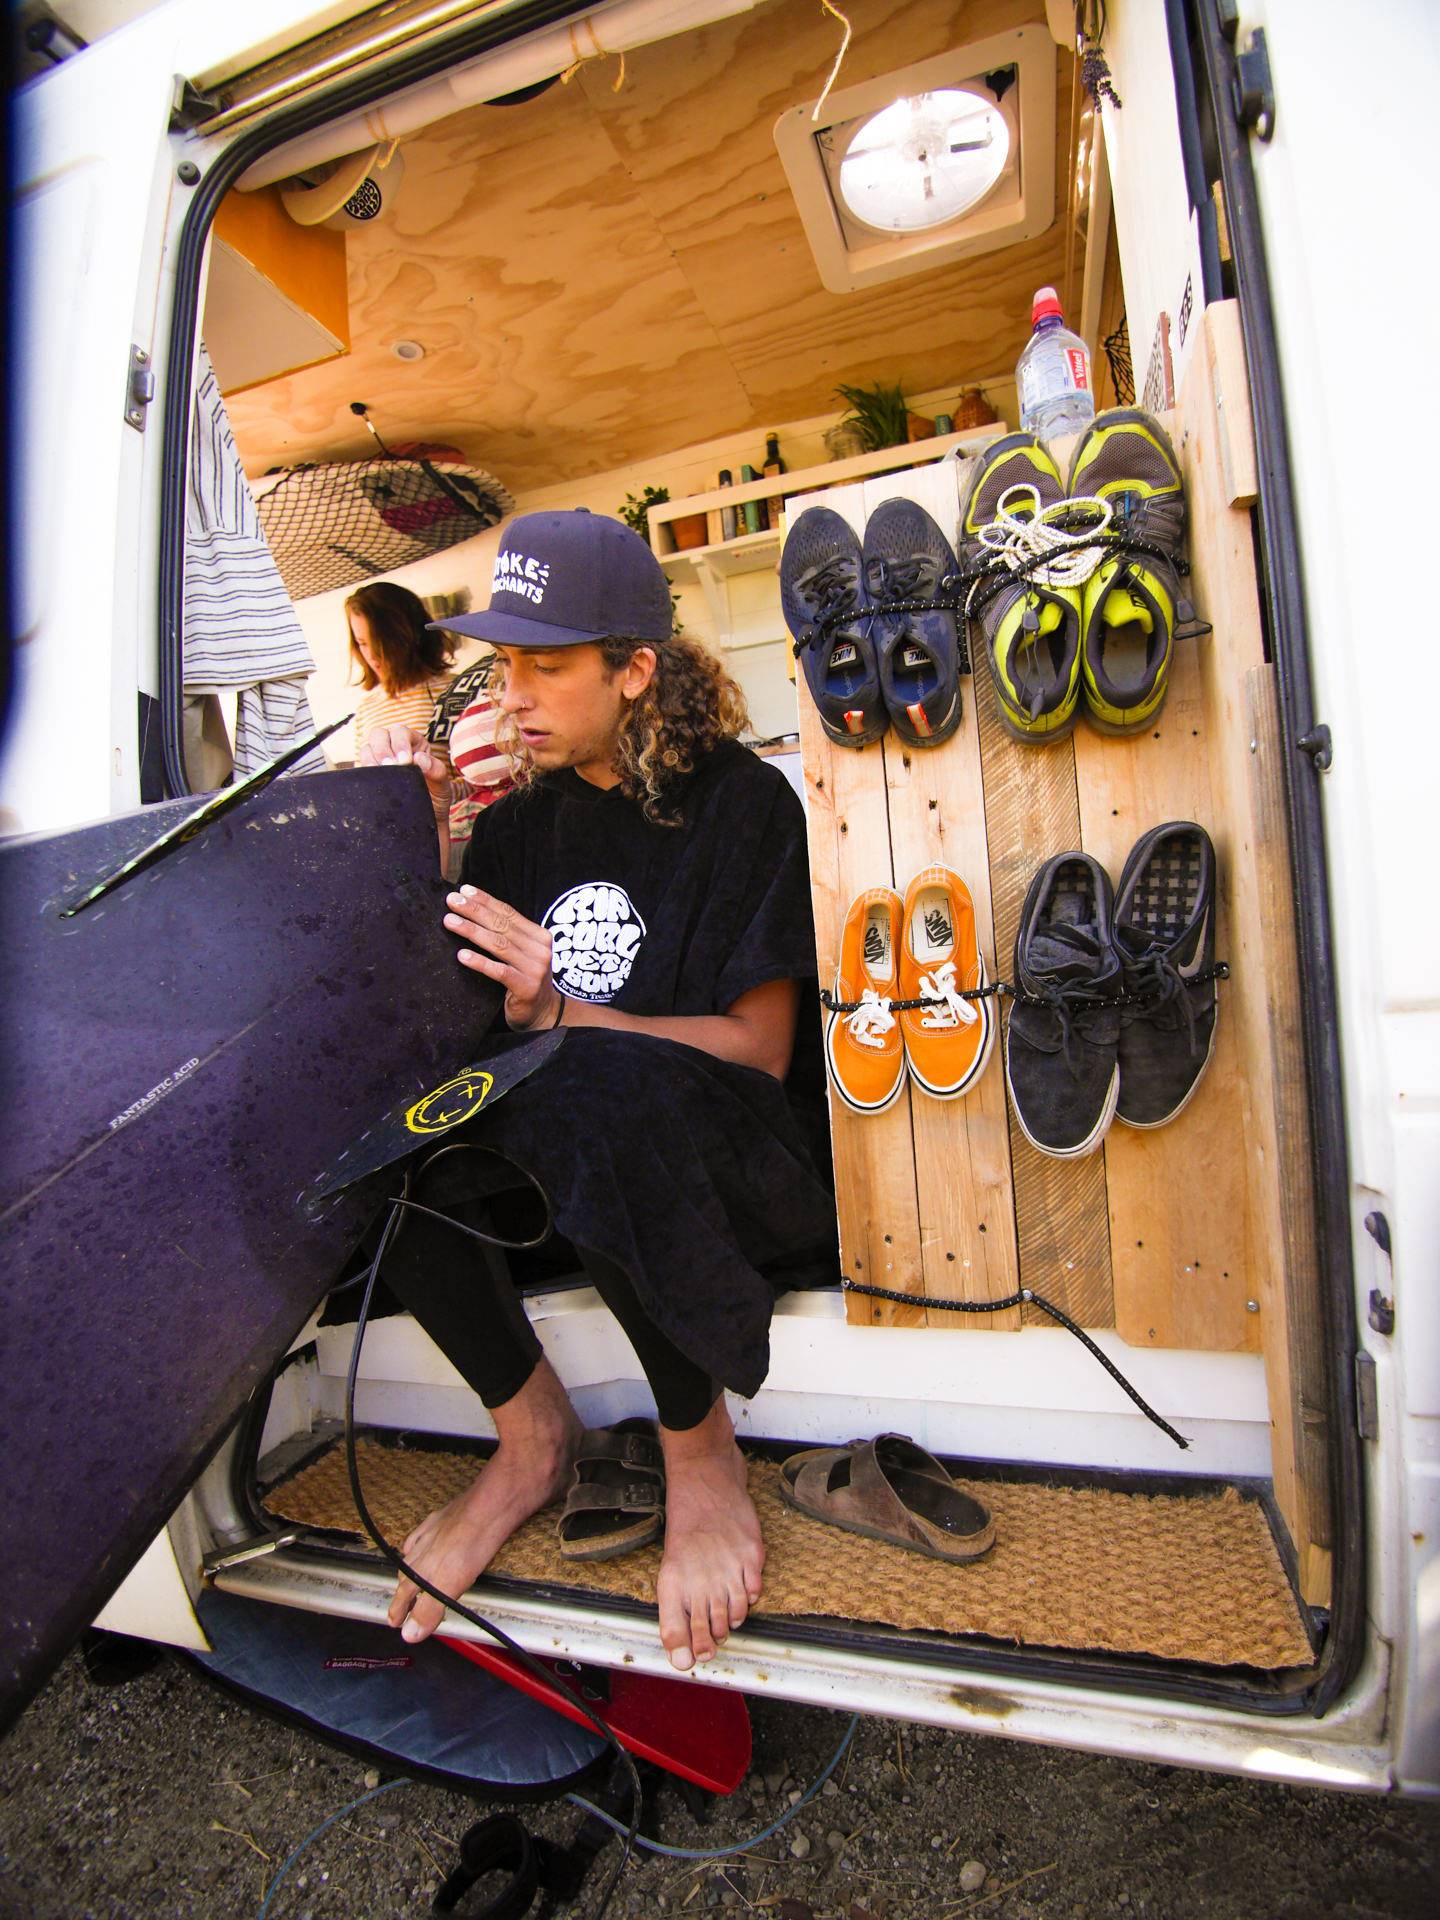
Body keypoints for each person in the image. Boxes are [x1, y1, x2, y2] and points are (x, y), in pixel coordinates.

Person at [359, 508, 837, 1673]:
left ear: (635, 671)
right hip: (582, 1175)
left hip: (736, 1171)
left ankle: (699, 1447)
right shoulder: (514, 832)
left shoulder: (744, 805)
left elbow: (760, 1055)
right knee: (371, 1121)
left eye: (548, 664)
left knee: (589, 1080)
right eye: (505, 664)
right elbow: (483, 1057)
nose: (512, 695)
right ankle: (531, 1438)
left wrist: (559, 1012)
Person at [347, 581, 462, 837]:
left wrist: (431, 797)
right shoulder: (365, 711)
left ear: (409, 634)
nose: (372, 655)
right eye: (362, 643)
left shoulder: (456, 689)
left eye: (379, 642)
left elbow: (485, 783)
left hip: (455, 834)